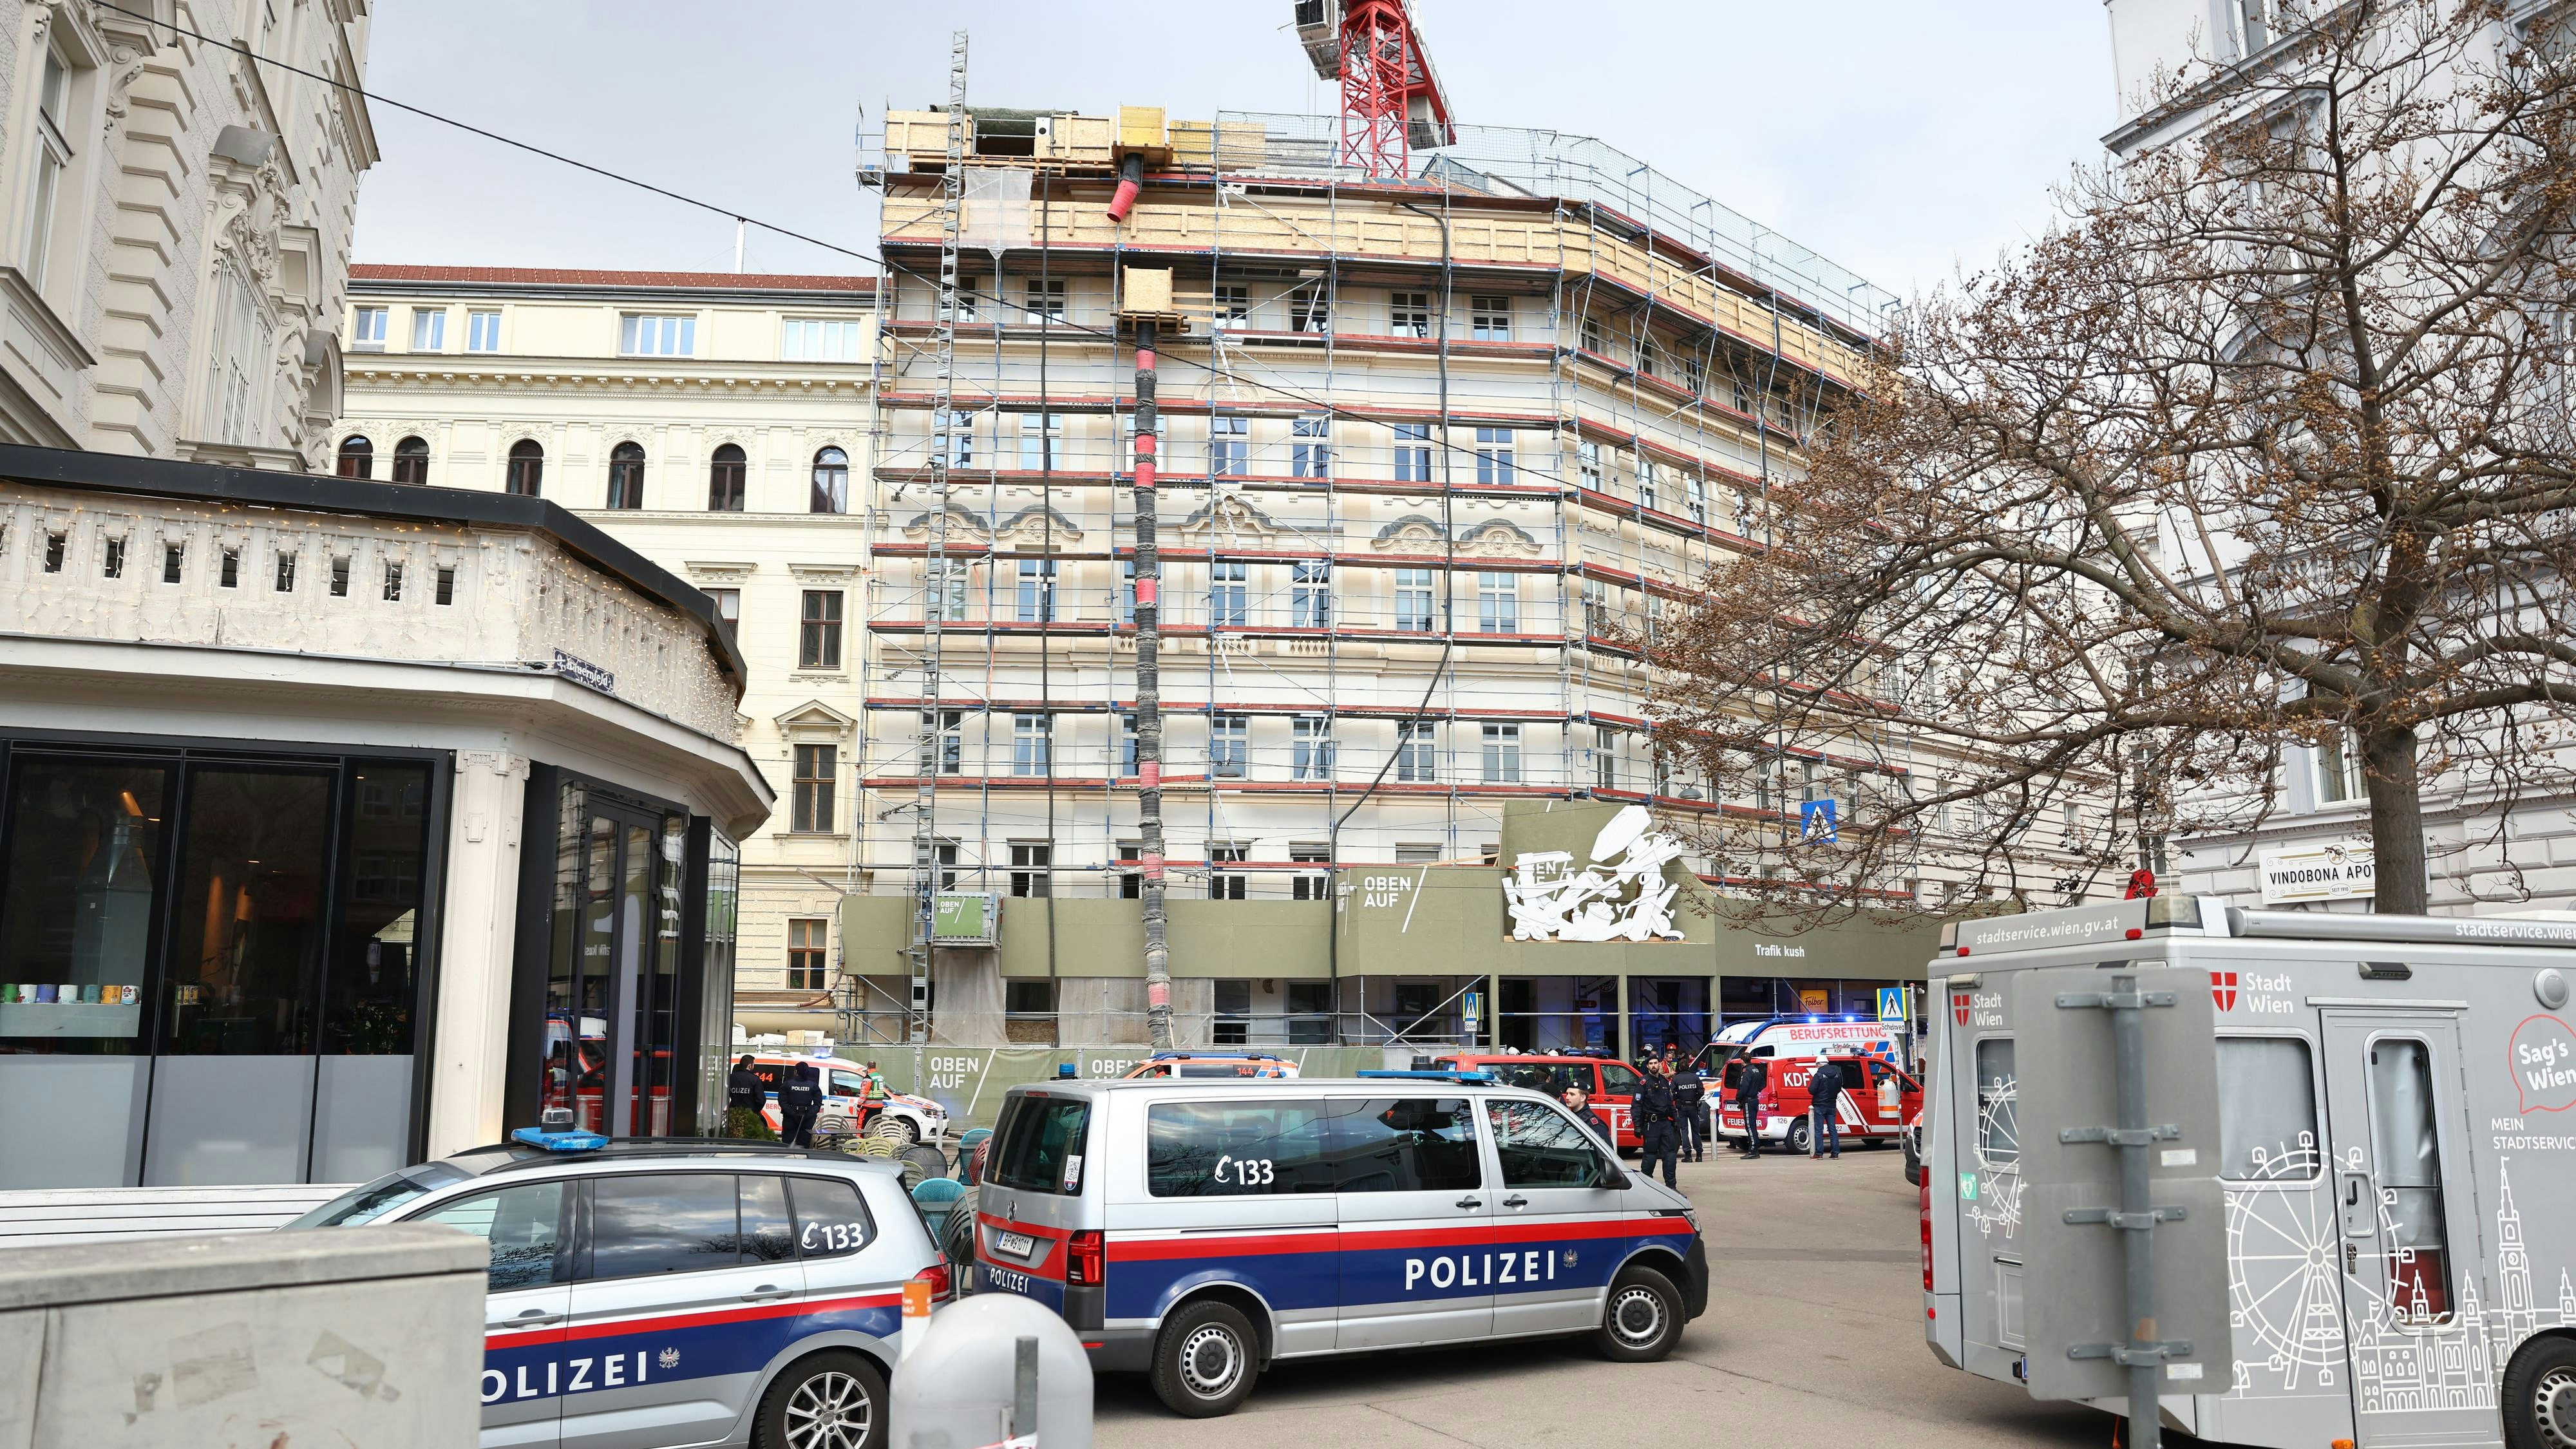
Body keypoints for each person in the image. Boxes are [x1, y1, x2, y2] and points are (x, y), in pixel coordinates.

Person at [1633, 1061, 1681, 1188]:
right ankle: (1646, 1187)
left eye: (1656, 1063)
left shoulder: (1664, 1082)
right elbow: (1636, 1105)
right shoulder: (1642, 1082)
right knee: (1650, 1156)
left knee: (1670, 1155)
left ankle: (1671, 1187)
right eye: (1651, 1064)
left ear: (1659, 1065)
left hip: (1665, 1122)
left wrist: (1676, 1119)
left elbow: (1670, 1103)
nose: (1654, 1066)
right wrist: (1637, 1125)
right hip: (1651, 1124)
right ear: (1648, 1066)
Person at [1806, 1055, 1845, 1159]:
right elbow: (1839, 1088)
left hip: (1820, 1105)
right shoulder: (1837, 1074)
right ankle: (1835, 1153)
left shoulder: (1819, 1075)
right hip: (1832, 1104)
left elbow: (1812, 1090)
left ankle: (1819, 1153)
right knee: (1832, 1129)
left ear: (1819, 1064)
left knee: (1819, 1129)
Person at [779, 1061, 824, 1148]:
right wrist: (808, 1115)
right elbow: (818, 1104)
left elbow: (783, 1102)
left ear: (796, 1071)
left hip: (790, 1119)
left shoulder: (787, 1084)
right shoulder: (813, 1086)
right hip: (807, 1120)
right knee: (804, 1147)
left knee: (787, 1146)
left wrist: (793, 1114)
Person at [1669, 1058, 1707, 1162]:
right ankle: (1699, 1154)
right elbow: (1701, 1091)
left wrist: (1677, 1098)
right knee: (1696, 1130)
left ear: (1680, 1068)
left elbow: (1671, 1093)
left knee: (1684, 1130)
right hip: (1693, 1106)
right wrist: (1696, 1098)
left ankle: (1688, 1155)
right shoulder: (1695, 1077)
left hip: (1682, 1107)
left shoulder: (1676, 1079)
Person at [1733, 1054, 1770, 1158]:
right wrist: (1755, 1091)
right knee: (1752, 1125)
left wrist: (1738, 1098)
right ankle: (1754, 1149)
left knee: (1750, 1126)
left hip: (1748, 1101)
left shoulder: (1747, 1072)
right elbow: (1763, 1083)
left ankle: (1753, 1150)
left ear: (1742, 1061)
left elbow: (1744, 1087)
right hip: (1754, 1100)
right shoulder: (1755, 1070)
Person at [1563, 1083, 1613, 1148]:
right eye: (1567, 1094)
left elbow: (1606, 1151)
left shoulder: (1594, 1124)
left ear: (1583, 1098)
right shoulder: (1571, 1116)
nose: (1567, 1098)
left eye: (1572, 1094)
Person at [726, 1054, 764, 1137]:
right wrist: (756, 1111)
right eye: (753, 1065)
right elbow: (761, 1100)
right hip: (750, 1115)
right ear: (750, 1065)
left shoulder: (731, 1078)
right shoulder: (755, 1079)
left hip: (734, 1116)